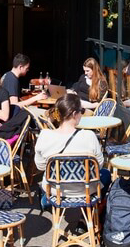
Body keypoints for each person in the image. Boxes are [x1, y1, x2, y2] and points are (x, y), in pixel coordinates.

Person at [34, 92, 104, 222]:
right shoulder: (89, 136)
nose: (82, 114)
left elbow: (40, 166)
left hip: (56, 190)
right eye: (81, 111)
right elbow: (98, 165)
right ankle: (88, 219)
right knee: (105, 174)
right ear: (74, 114)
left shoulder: (44, 136)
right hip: (85, 190)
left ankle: (47, 200)